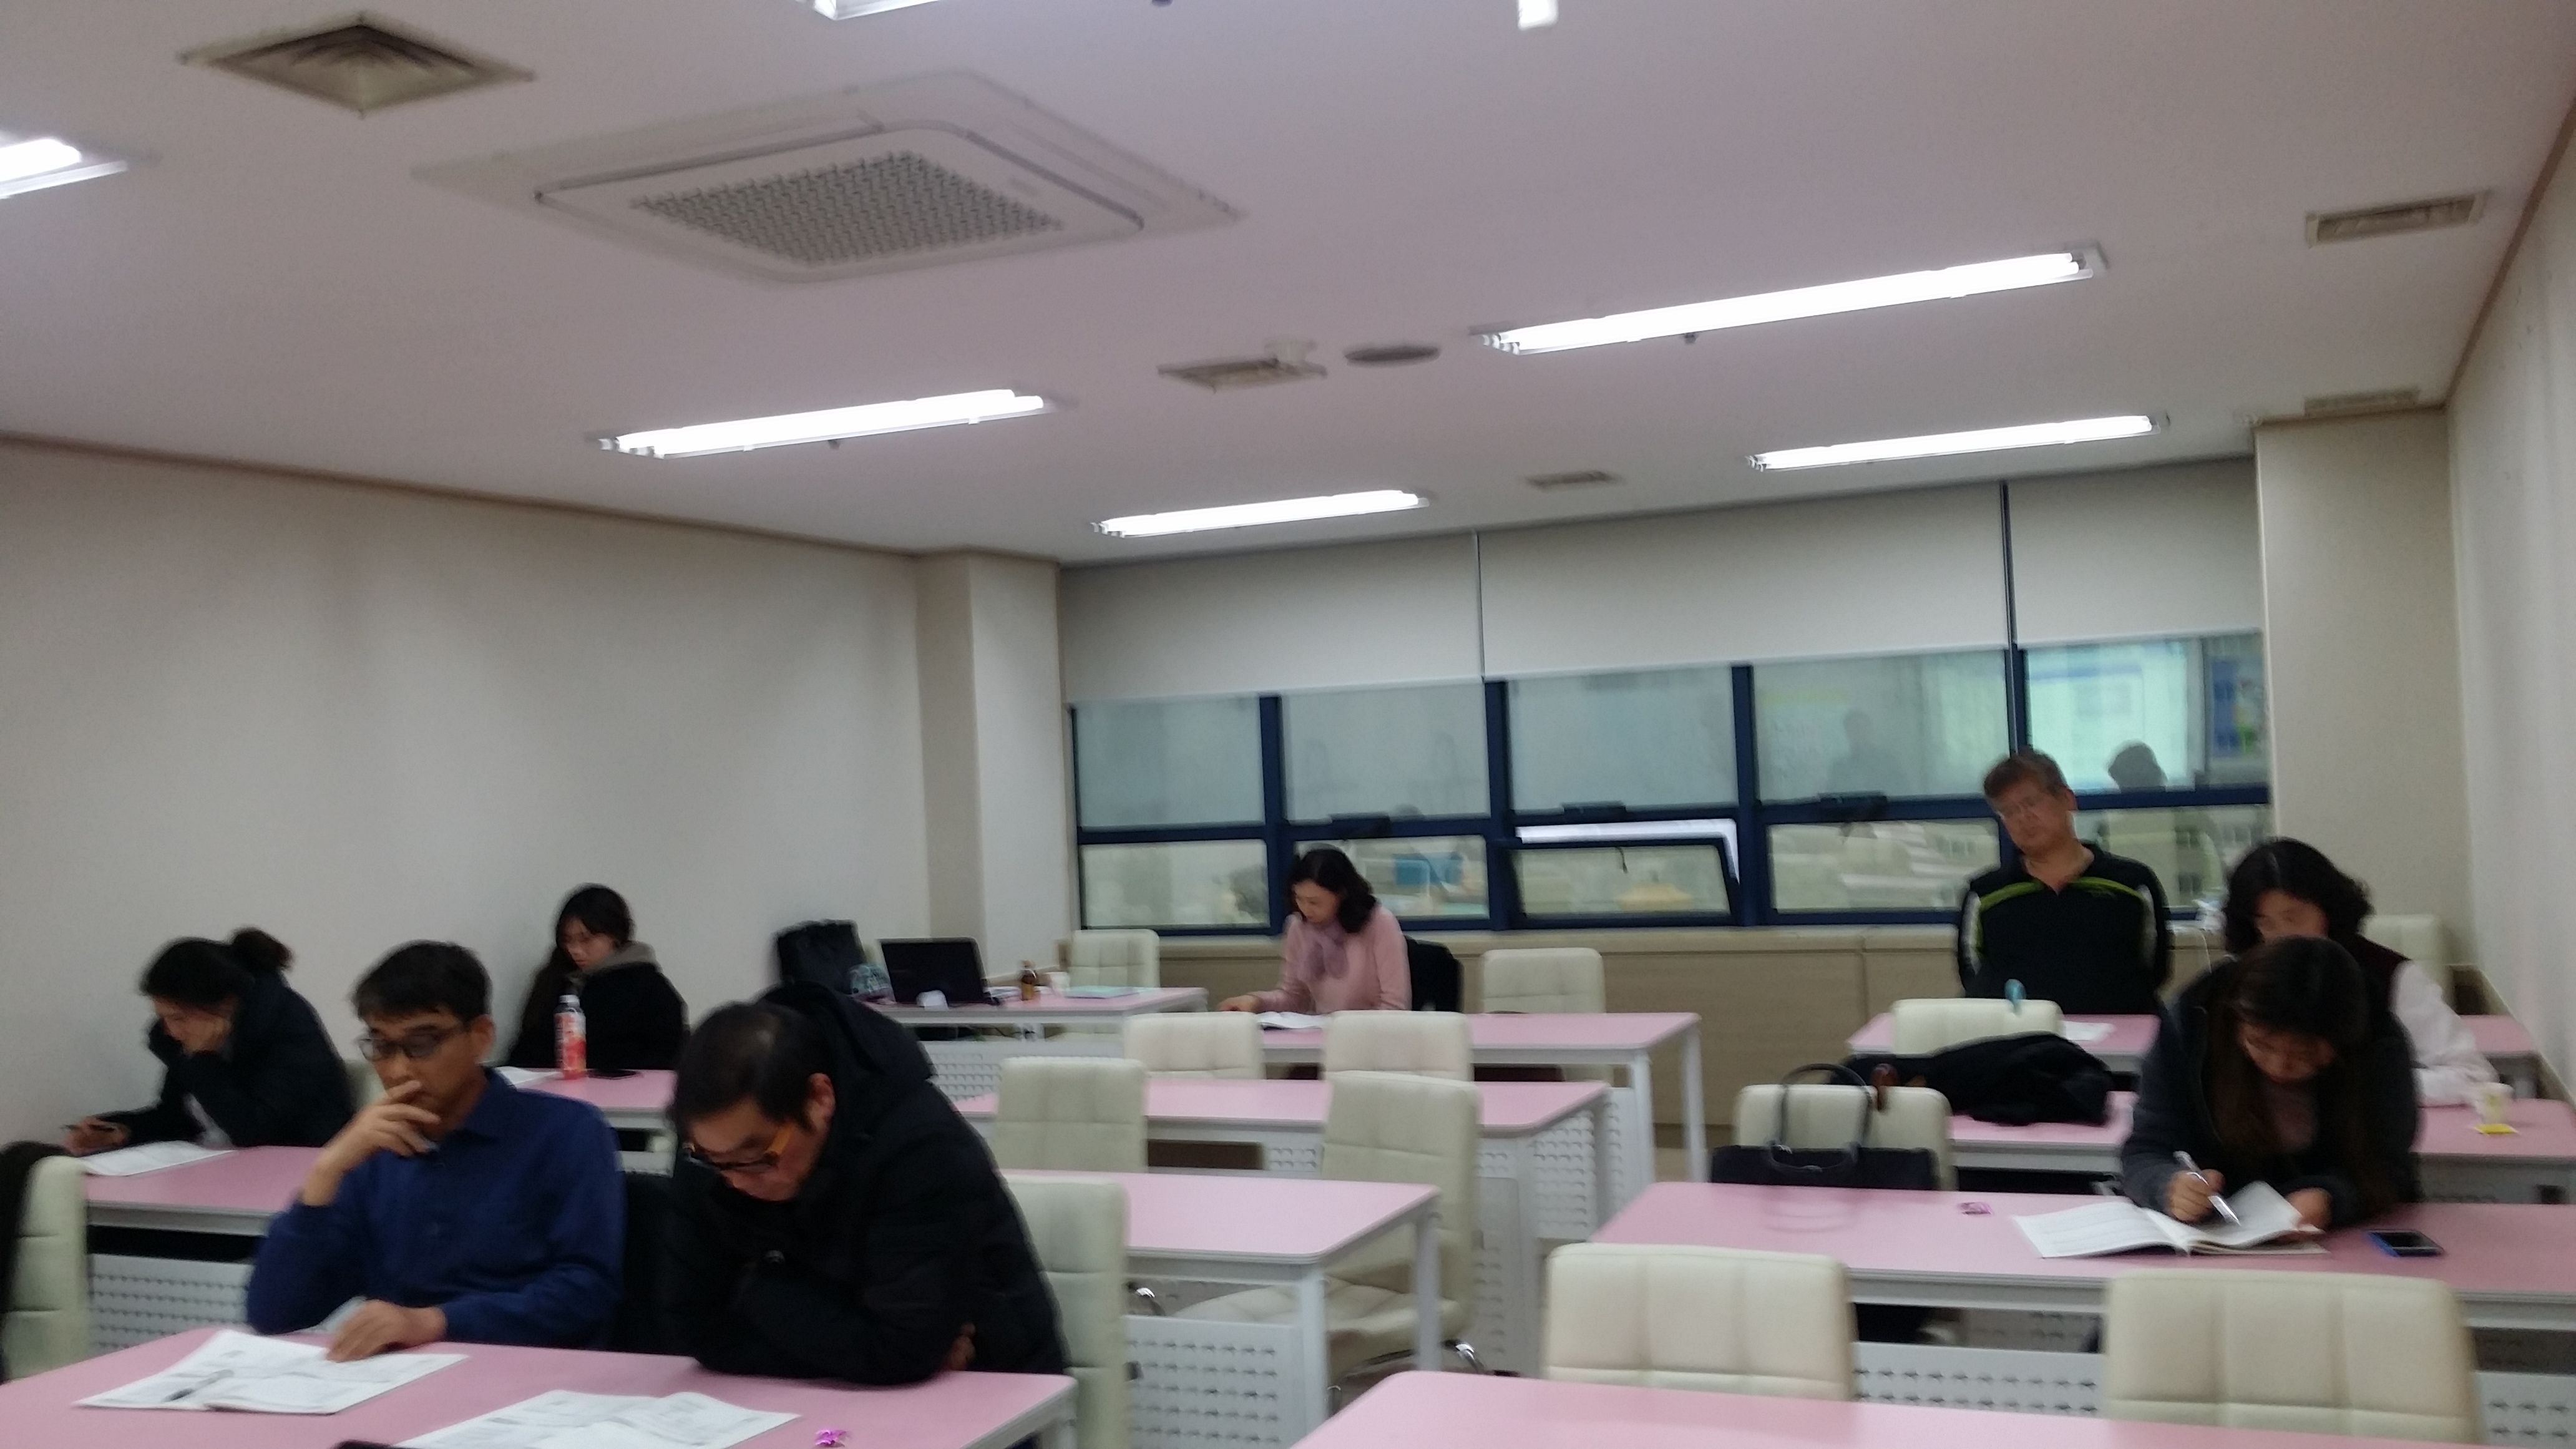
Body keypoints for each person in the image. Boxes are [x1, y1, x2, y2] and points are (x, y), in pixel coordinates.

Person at [661, 984, 1066, 1382]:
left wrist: (754, 1291)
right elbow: (695, 1327)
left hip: (993, 1382)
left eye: (760, 1158)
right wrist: (853, 1341)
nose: (735, 1180)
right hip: (824, 1392)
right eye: (715, 1161)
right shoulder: (712, 1149)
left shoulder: (920, 1148)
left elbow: (901, 1347)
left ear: (819, 1098)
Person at [246, 942, 622, 1360]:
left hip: (530, 1370)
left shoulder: (566, 1132)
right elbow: (274, 1314)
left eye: (422, 1044)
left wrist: (436, 1322)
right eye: (381, 1046)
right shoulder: (373, 1151)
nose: (397, 1070)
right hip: (401, 1376)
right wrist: (326, 1172)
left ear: (480, 1037)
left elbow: (586, 1292)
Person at [2120, 935, 2419, 1229]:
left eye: (2304, 1054)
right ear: (2236, 1019)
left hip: (2345, 1240)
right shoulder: (2194, 1022)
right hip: (2215, 1232)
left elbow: (2390, 1166)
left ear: (2342, 1042)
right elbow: (2146, 1149)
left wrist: (2334, 1198)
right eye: (2259, 1043)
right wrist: (2167, 1185)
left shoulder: (2379, 1042)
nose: (2279, 1066)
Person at [2222, 837, 2499, 1106]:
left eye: (2294, 917)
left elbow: (2472, 1075)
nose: (2283, 936)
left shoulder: (2390, 975)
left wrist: (2369, 1085)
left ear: (2328, 910)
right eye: (2267, 924)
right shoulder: (2240, 979)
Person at [64, 930, 351, 1154]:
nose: (170, 1031)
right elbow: (183, 1118)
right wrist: (123, 1130)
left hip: (297, 1171)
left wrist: (203, 1061)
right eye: (162, 1018)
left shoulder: (287, 1024)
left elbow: (255, 1131)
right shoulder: (185, 1041)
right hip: (218, 1168)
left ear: (225, 1005)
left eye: (178, 1018)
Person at [1956, 751, 2172, 1014]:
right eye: (2009, 811)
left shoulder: (2132, 884)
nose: (2023, 818)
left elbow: (2154, 967)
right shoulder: (1986, 894)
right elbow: (1973, 973)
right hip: (2019, 1036)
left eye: (2031, 802)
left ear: (2067, 799)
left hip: (2118, 1031)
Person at [505, 885, 688, 1071]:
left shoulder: (650, 988)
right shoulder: (556, 978)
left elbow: (664, 1058)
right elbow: (527, 1047)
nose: (575, 950)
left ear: (615, 935)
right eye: (567, 940)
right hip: (547, 1085)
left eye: (586, 940)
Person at [1219, 847, 1410, 1013]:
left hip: (1370, 1034)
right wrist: (1256, 1001)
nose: (1305, 909)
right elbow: (1294, 998)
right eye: (1299, 899)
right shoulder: (1298, 927)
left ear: (1342, 894)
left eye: (1314, 902)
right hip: (1321, 1032)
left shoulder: (1379, 923)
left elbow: (1394, 1005)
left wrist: (1350, 1030)